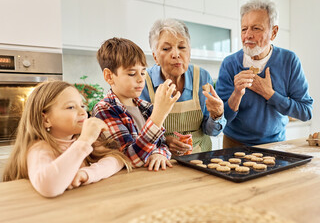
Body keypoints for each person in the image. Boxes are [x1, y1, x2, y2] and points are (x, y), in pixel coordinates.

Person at [3, 81, 131, 197]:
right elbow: (49, 187)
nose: (83, 112)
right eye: (71, 107)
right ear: (46, 120)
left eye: (82, 106)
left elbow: (117, 160)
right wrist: (85, 140)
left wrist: (87, 174)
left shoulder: (76, 140)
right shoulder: (40, 148)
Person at [215, 0, 313, 147]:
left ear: (273, 32)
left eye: (256, 28)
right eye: (244, 29)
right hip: (234, 144)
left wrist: (269, 94)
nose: (248, 35)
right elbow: (220, 120)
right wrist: (236, 94)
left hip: (275, 144)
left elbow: (306, 112)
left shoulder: (289, 61)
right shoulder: (230, 64)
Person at [140, 18, 226, 155]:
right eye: (166, 48)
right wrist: (164, 140)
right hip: (160, 161)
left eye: (182, 47)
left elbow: (211, 131)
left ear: (189, 53)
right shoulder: (144, 82)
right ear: (155, 56)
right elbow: (139, 136)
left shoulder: (202, 77)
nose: (176, 54)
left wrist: (217, 115)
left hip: (200, 158)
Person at [92, 37, 180, 171]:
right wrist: (159, 115)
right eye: (132, 73)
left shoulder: (146, 107)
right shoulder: (104, 109)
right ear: (109, 76)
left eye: (143, 72)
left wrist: (159, 154)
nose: (140, 79)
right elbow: (128, 158)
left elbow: (162, 144)